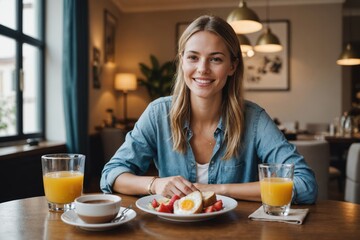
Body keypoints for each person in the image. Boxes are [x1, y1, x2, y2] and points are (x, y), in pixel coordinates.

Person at [100, 15, 317, 204]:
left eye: (215, 59)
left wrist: (219, 190)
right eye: (193, 57)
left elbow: (305, 185)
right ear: (182, 61)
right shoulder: (158, 114)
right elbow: (112, 175)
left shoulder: (254, 119)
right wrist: (156, 185)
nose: (202, 69)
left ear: (232, 66)